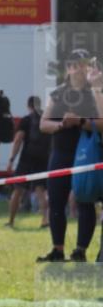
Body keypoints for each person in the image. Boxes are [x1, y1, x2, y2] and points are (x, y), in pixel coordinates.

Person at [36, 49, 103, 262]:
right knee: (56, 201)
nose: (78, 69)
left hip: (86, 154)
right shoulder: (59, 93)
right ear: (67, 68)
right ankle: (57, 250)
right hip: (61, 153)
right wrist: (61, 124)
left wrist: (81, 122)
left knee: (85, 200)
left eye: (82, 64)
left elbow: (101, 125)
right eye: (73, 65)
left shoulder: (95, 91)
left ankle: (80, 251)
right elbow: (43, 124)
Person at [6, 96, 50, 229]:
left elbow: (18, 139)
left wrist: (11, 159)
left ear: (28, 106)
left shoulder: (26, 120)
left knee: (18, 190)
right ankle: (45, 220)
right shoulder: (46, 119)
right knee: (40, 190)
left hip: (27, 158)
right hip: (43, 159)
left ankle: (11, 221)